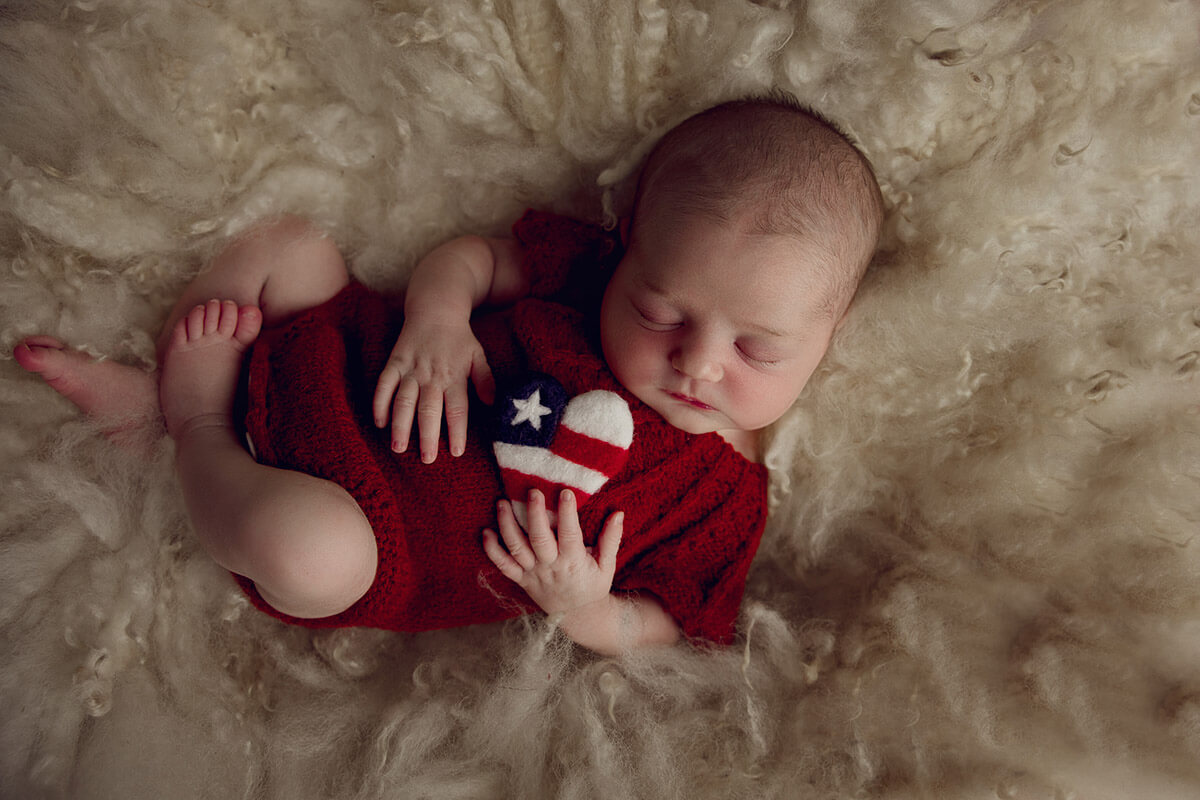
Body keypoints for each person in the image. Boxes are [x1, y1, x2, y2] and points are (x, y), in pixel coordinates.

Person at [14, 95, 884, 655]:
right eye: (661, 311)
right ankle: (189, 401)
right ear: (627, 246)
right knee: (292, 246)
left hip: (375, 536)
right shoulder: (586, 273)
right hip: (355, 357)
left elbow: (671, 629)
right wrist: (436, 316)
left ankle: (191, 424)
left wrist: (586, 608)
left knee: (302, 548)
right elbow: (472, 259)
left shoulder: (725, 500)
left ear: (826, 337)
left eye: (757, 351)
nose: (696, 361)